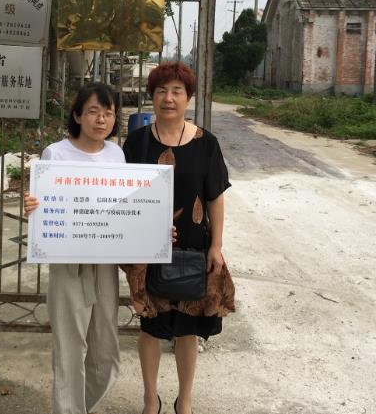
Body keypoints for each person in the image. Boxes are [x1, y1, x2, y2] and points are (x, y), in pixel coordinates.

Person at [121, 61, 235, 414]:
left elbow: (215, 196)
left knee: (188, 329)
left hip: (194, 248)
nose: (168, 98)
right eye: (161, 91)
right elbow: (122, 194)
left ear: (188, 98)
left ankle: (184, 401)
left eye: (176, 92)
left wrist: (216, 245)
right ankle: (149, 399)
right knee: (151, 327)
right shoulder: (137, 142)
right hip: (148, 250)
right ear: (152, 96)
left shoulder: (206, 143)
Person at [23, 83, 124, 414]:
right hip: (67, 265)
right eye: (93, 111)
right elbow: (44, 203)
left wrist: (150, 227)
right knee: (69, 353)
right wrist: (33, 208)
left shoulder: (117, 155)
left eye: (108, 113)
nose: (101, 119)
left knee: (106, 356)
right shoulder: (56, 153)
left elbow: (126, 206)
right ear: (78, 115)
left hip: (105, 263)